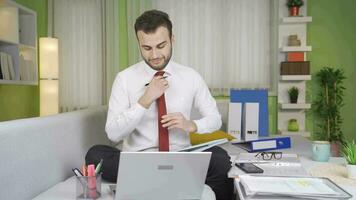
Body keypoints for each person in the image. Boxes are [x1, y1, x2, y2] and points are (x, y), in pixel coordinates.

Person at [86, 9, 234, 200]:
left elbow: (215, 119)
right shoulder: (124, 79)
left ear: (172, 39)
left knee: (220, 158)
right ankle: (170, 181)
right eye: (147, 48)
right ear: (139, 44)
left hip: (180, 158)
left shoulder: (190, 76)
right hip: (139, 161)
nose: (155, 54)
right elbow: (113, 133)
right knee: (95, 154)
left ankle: (158, 180)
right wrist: (145, 100)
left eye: (161, 46)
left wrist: (191, 125)